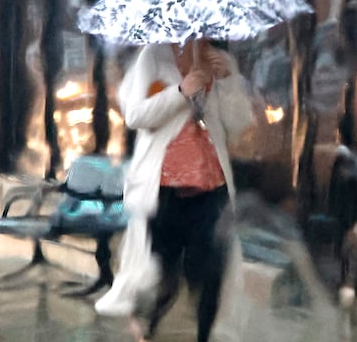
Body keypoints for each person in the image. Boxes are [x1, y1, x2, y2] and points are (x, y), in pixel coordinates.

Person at [96, 38, 255, 342]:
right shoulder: (153, 56)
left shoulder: (218, 58)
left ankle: (203, 335)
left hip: (211, 187)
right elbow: (135, 115)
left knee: (211, 273)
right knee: (162, 273)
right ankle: (146, 326)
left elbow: (238, 124)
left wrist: (228, 81)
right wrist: (181, 91)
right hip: (164, 188)